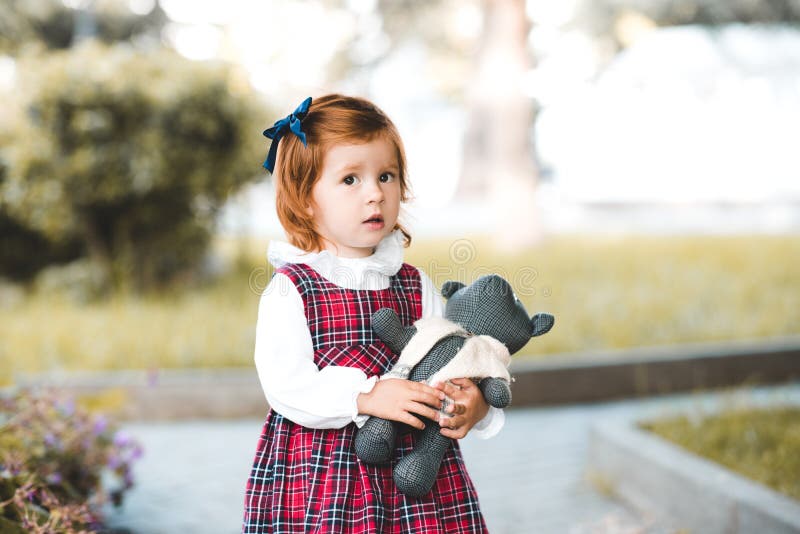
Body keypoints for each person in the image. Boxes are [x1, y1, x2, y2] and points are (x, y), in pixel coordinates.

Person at [242, 94, 504, 533]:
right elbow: (285, 383)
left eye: (386, 176)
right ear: (306, 199)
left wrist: (470, 402)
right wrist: (365, 395)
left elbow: (453, 357)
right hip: (325, 475)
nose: (375, 194)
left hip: (416, 474)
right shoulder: (294, 288)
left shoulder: (413, 283)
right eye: (350, 180)